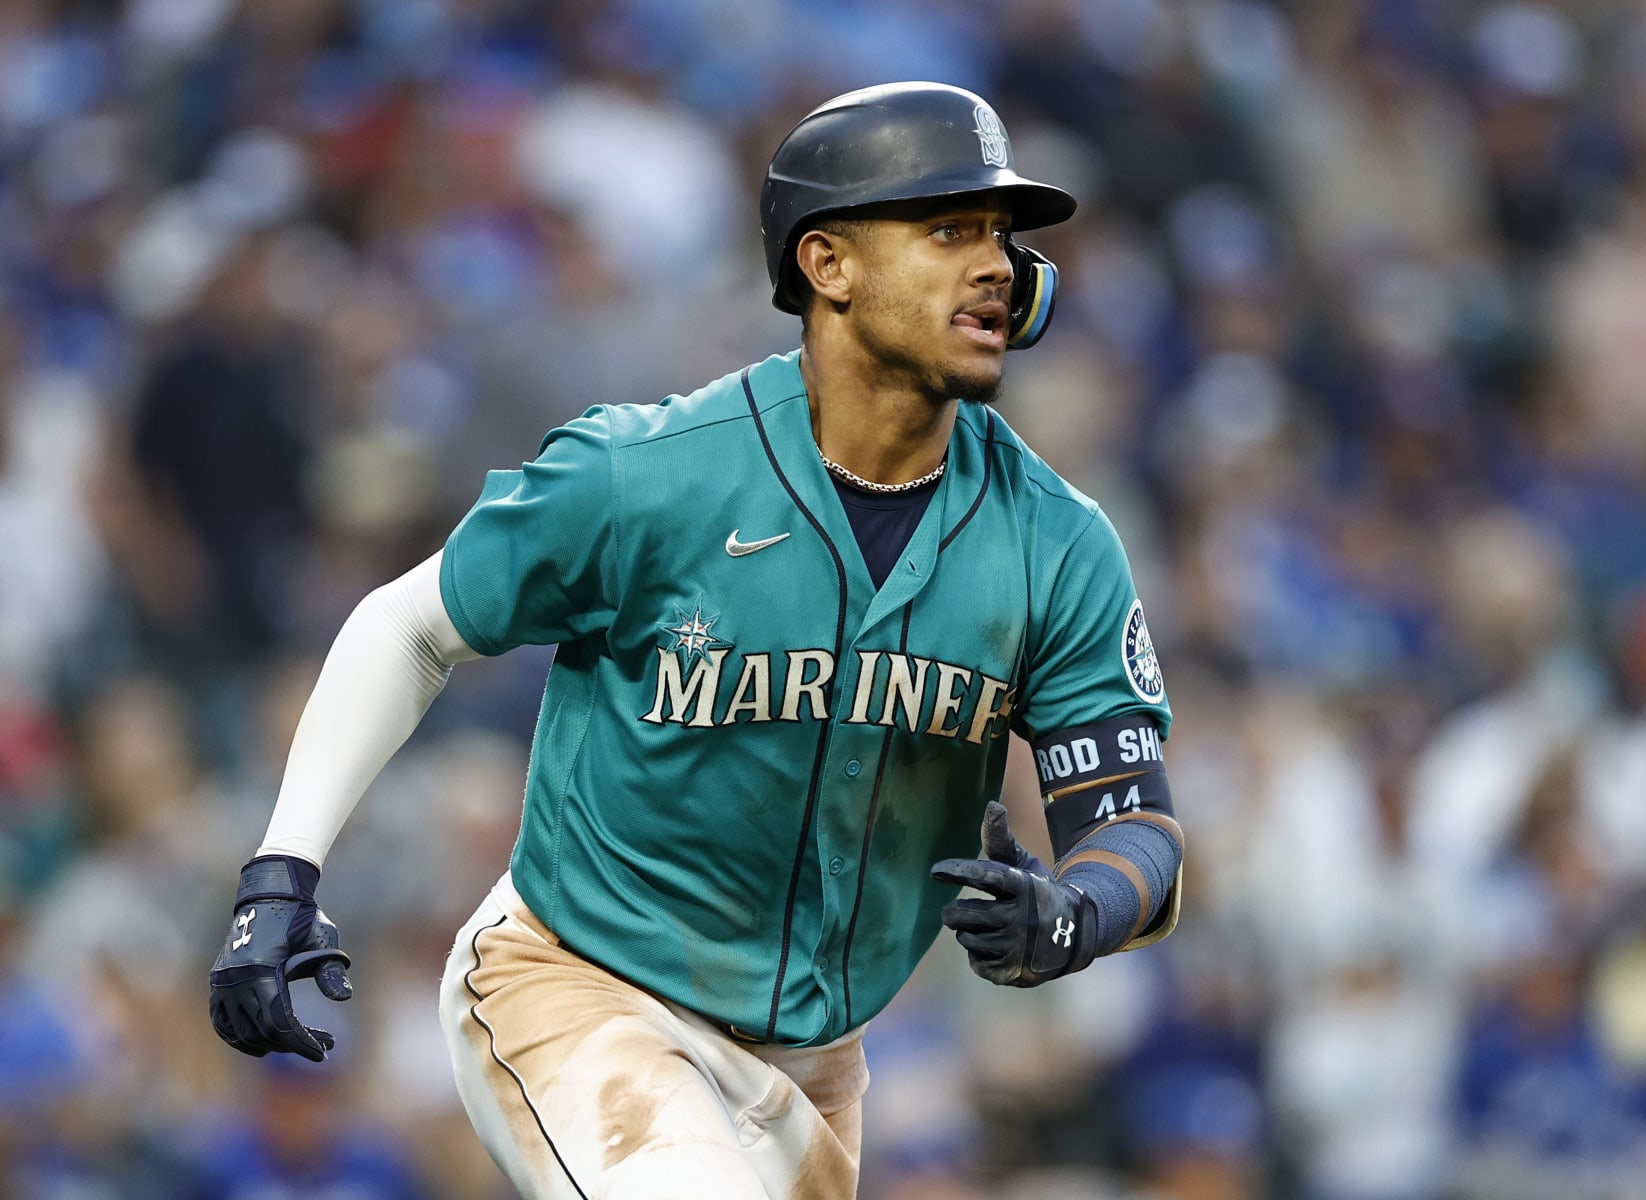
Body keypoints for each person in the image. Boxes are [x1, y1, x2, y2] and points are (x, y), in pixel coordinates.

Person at [207, 81, 1185, 1199]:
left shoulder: (1057, 542)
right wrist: (282, 870)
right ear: (829, 265)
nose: (998, 265)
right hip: (582, 986)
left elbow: (1138, 829)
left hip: (817, 1073)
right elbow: (411, 625)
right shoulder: (649, 472)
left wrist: (1073, 913)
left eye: (1004, 238)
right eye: (950, 228)